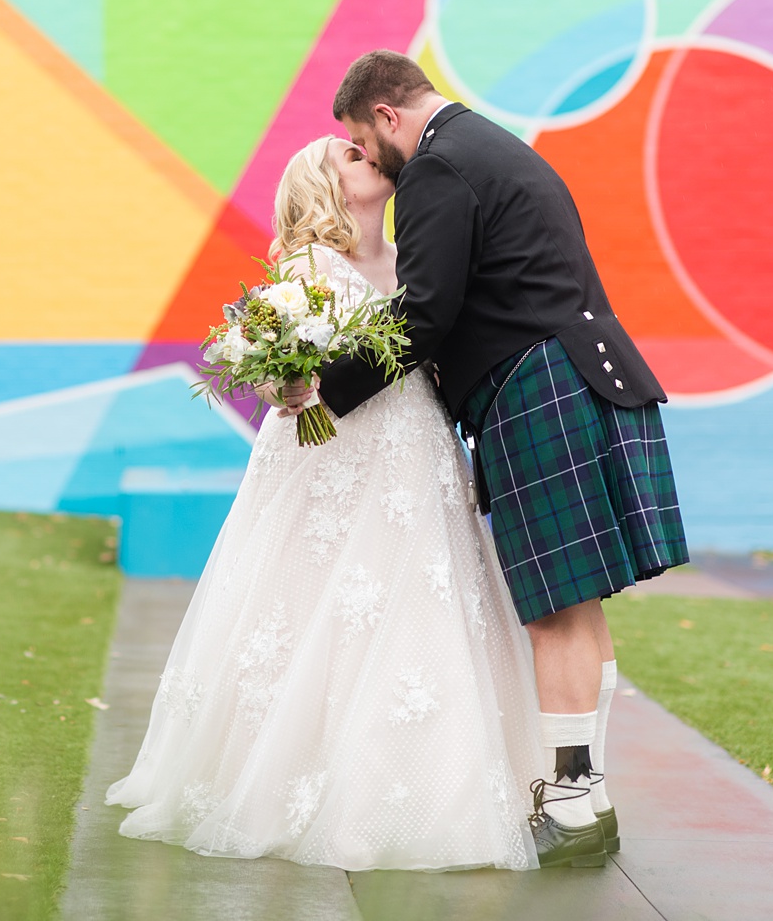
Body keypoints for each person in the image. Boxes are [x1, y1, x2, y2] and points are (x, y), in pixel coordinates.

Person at [293, 50, 690, 868]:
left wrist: (329, 395)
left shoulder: (439, 166)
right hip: (581, 372)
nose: (375, 159)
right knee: (576, 606)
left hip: (537, 384)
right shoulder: (497, 147)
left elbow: (426, 312)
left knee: (553, 608)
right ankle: (588, 795)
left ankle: (575, 804)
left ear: (389, 115)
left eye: (368, 141)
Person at [106, 136, 547, 872]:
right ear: (322, 183)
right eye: (348, 153)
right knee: (314, 608)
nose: (368, 155)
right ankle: (294, 776)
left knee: (416, 606)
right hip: (332, 455)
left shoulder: (414, 259)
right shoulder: (305, 268)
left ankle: (435, 790)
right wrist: (281, 378)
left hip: (414, 453)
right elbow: (287, 367)